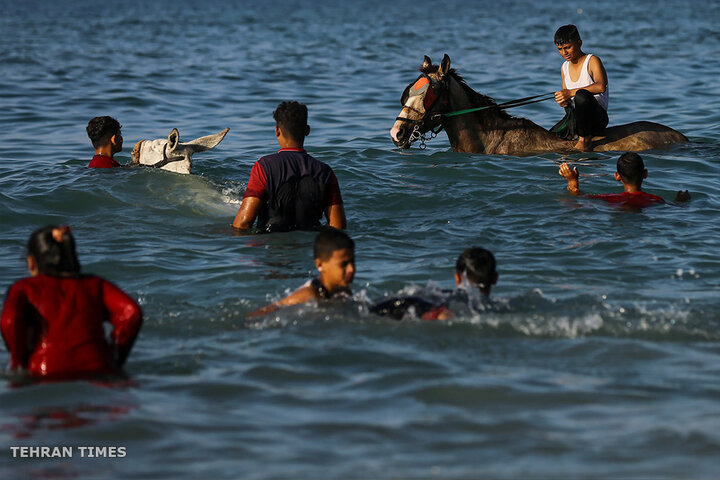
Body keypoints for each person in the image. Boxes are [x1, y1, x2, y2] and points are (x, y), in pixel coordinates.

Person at [1, 226, 142, 379]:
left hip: (45, 373)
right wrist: (115, 357)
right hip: (101, 369)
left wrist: (19, 363)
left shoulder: (24, 288)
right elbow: (131, 313)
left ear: (31, 262)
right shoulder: (96, 284)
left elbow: (10, 320)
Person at [233, 101, 346, 232]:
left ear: (277, 130)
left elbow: (243, 223)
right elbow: (339, 226)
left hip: (272, 245)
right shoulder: (325, 172)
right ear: (307, 130)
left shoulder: (264, 166)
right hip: (309, 246)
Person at [247, 228, 355, 317]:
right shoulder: (306, 296)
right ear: (320, 265)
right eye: (343, 264)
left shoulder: (342, 290)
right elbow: (262, 314)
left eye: (352, 261)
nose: (351, 269)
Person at [370, 247, 498, 321]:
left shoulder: (444, 296)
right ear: (495, 279)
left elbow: (406, 301)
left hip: (409, 305)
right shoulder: (494, 308)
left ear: (457, 278)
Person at [558, 152, 691, 207]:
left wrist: (572, 182)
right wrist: (679, 203)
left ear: (617, 176)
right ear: (645, 174)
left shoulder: (608, 198)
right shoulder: (656, 200)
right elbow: (671, 209)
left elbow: (577, 198)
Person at [552, 24, 609, 151]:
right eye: (560, 49)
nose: (564, 52)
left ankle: (584, 140)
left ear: (579, 43)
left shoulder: (592, 60)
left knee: (581, 95)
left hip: (596, 118)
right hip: (576, 118)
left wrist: (570, 93)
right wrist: (563, 101)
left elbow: (601, 86)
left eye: (568, 47)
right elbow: (567, 98)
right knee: (549, 137)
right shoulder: (564, 67)